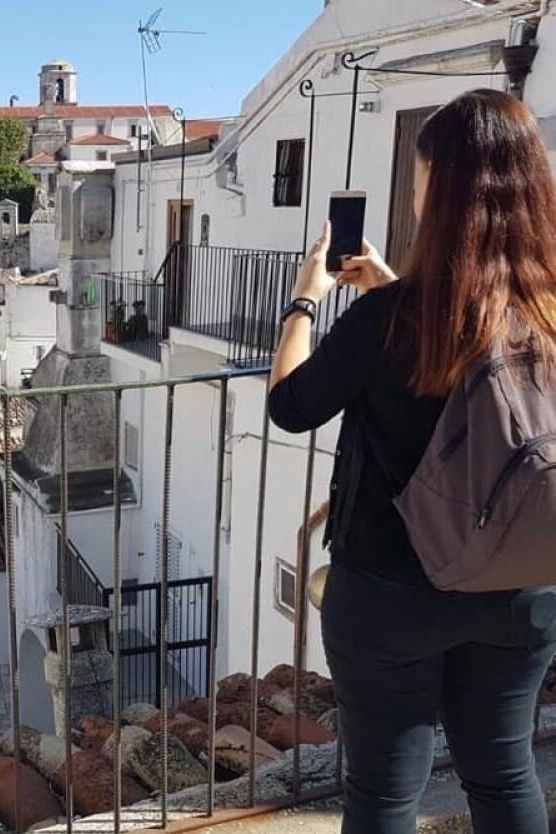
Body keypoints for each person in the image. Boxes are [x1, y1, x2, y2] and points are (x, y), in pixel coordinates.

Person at [267, 89, 556, 833]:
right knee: (502, 770)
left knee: (384, 794)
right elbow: (487, 371)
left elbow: (293, 405)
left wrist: (306, 301)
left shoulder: (391, 321)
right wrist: (393, 289)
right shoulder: (548, 306)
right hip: (524, 582)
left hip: (393, 592)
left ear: (441, 191)